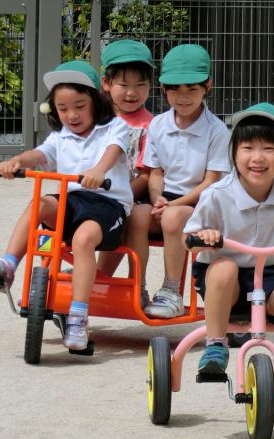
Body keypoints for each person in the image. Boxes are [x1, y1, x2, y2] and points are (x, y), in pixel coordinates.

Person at [183, 103, 274, 416]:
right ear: (234, 153)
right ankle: (216, 343)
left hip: (269, 273)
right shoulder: (217, 194)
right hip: (223, 279)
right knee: (224, 267)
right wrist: (204, 235)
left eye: (268, 148)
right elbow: (188, 237)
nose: (258, 157)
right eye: (248, 148)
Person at [0, 60, 133, 351]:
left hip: (108, 204)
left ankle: (78, 315)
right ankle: (8, 264)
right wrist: (16, 162)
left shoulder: (114, 127)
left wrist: (99, 170)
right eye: (63, 108)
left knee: (84, 240)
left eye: (79, 106)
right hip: (72, 199)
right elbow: (40, 154)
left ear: (95, 102)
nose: (71, 115)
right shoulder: (61, 137)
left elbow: (114, 150)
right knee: (40, 203)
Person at [126, 43, 231, 318]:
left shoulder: (217, 130)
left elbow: (211, 182)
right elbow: (156, 172)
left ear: (207, 86)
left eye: (192, 89)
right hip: (165, 200)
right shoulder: (158, 124)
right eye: (175, 90)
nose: (183, 98)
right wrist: (157, 199)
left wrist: (173, 206)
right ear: (163, 89)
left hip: (200, 204)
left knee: (173, 219)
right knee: (136, 215)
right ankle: (137, 286)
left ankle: (171, 291)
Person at [96, 39, 155, 277]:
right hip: (96, 191)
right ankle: (93, 275)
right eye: (123, 84)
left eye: (141, 85)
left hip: (133, 195)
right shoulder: (95, 119)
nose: (132, 93)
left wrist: (121, 194)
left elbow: (146, 175)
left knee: (125, 216)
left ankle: (123, 280)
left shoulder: (151, 125)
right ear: (106, 83)